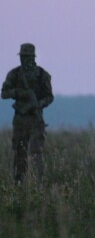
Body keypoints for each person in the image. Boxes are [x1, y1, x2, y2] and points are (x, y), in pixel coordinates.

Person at [1, 43, 54, 183]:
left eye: (27, 56)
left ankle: (37, 182)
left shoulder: (43, 75)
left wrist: (39, 104)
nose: (24, 59)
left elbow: (49, 96)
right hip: (20, 119)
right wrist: (19, 93)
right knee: (20, 151)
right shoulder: (14, 74)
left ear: (33, 57)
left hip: (36, 119)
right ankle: (19, 182)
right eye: (23, 56)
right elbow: (4, 93)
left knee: (37, 152)